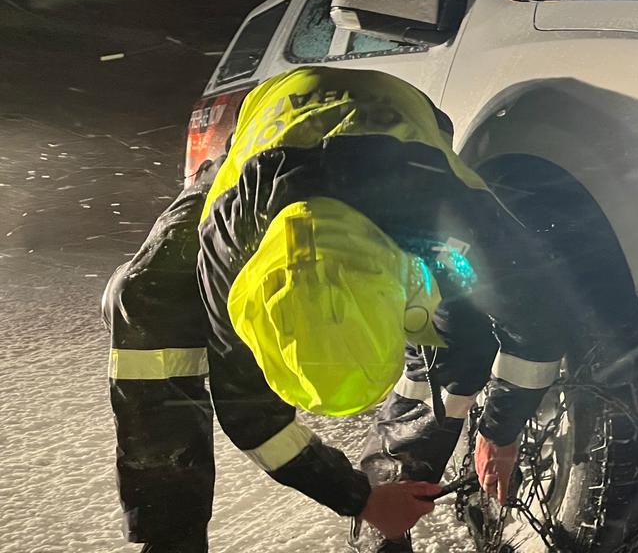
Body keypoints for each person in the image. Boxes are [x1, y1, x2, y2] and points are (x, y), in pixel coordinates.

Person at [104, 66, 573, 552]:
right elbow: (251, 416)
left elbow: (536, 318)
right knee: (147, 303)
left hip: (402, 122)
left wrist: (500, 429)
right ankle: (170, 540)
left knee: (458, 341)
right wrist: (358, 499)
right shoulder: (230, 250)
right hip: (266, 125)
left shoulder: (452, 223)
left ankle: (399, 472)